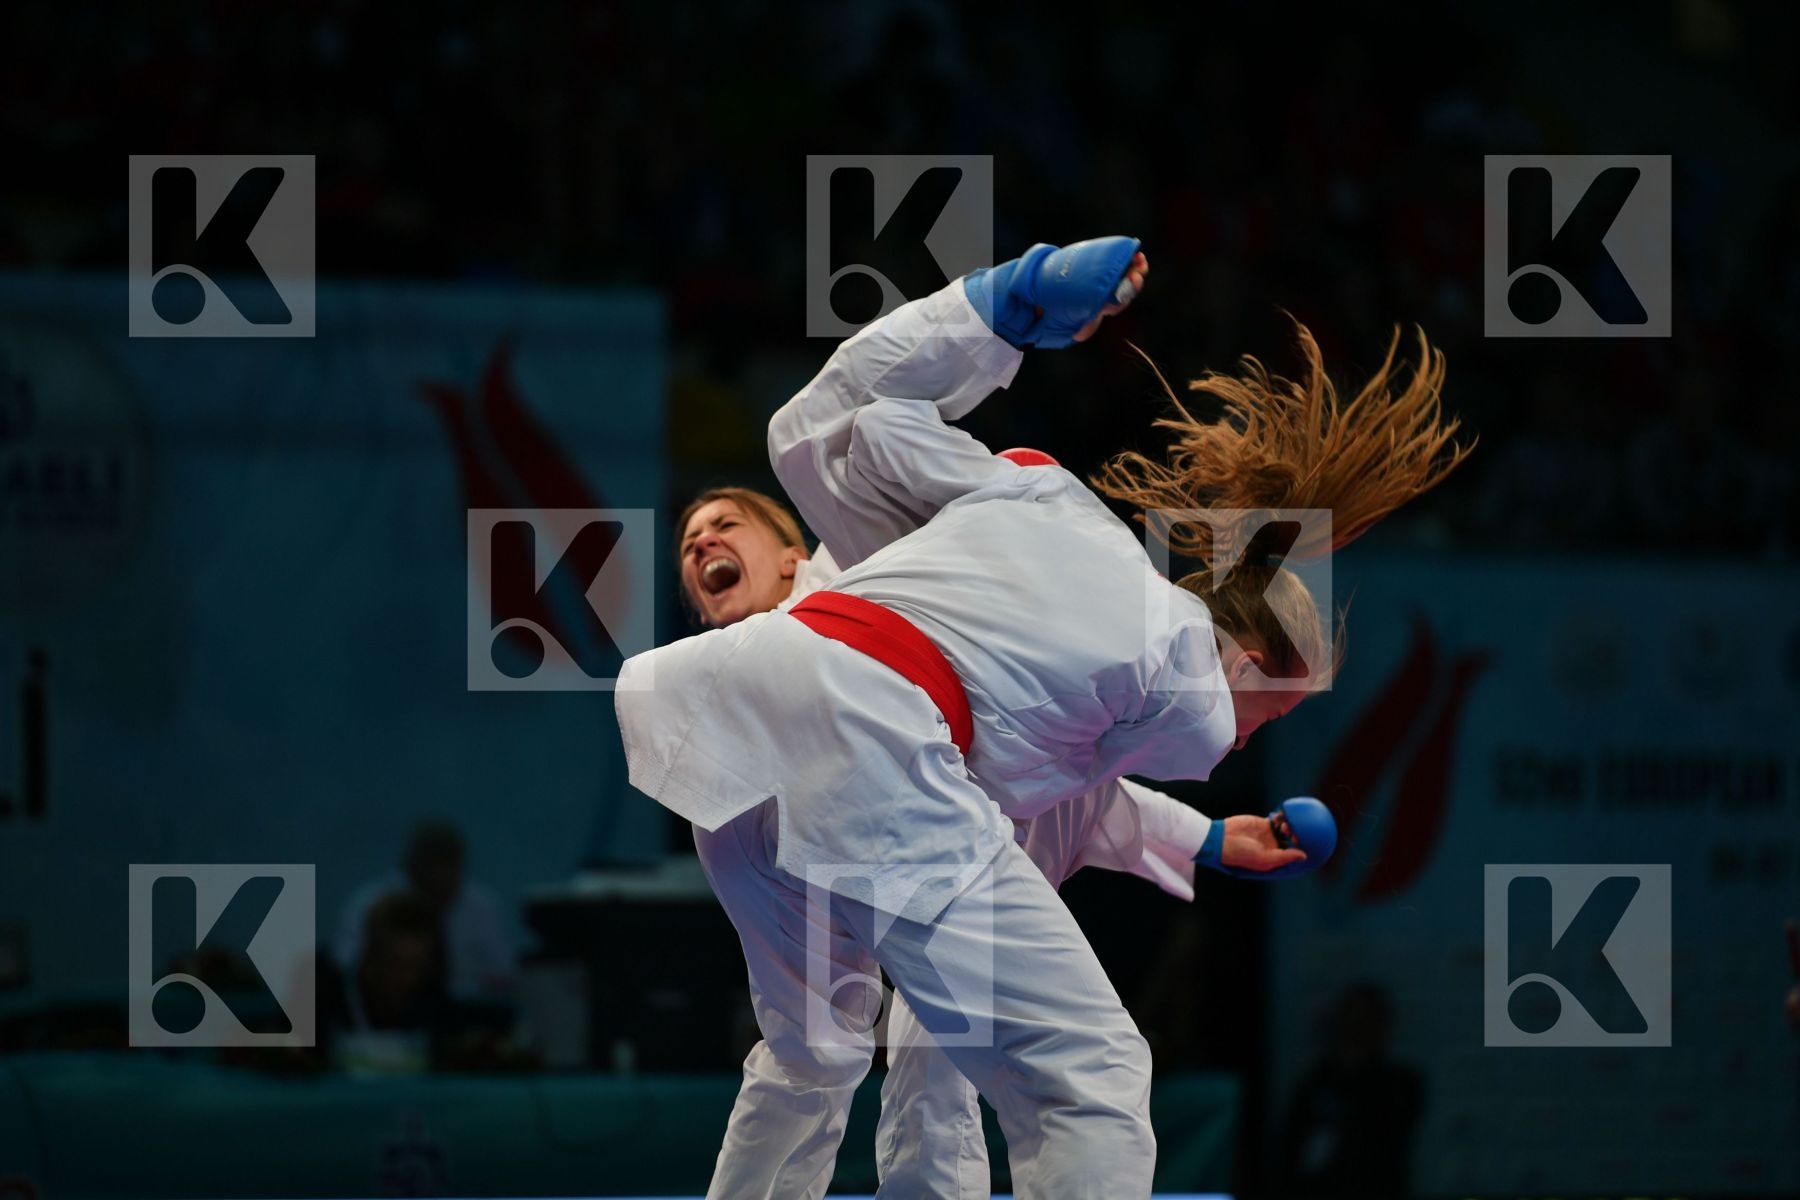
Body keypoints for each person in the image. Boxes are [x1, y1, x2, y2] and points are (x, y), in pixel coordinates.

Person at [617, 235, 1469, 1198]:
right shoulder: (1188, 691)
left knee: (818, 1051)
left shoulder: (1039, 490)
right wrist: (1203, 830)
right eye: (1268, 714)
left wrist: (999, 305)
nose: (1248, 739)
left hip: (725, 724)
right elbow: (1059, 803)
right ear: (1252, 657)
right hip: (875, 748)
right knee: (1084, 1077)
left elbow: (836, 424)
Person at [674, 481, 1302, 1197]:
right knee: (1037, 1051)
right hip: (779, 773)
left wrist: (1209, 837)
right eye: (692, 536)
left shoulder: (853, 567)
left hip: (785, 777)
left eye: (726, 522)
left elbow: (1078, 774)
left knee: (825, 1049)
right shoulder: (749, 658)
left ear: (794, 557)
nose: (703, 541)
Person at [335, 820, 515, 1001]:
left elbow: (503, 972)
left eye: (449, 869)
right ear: (410, 868)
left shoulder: (482, 907)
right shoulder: (371, 905)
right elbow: (347, 966)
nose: (441, 879)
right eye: (433, 870)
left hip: (465, 1009)